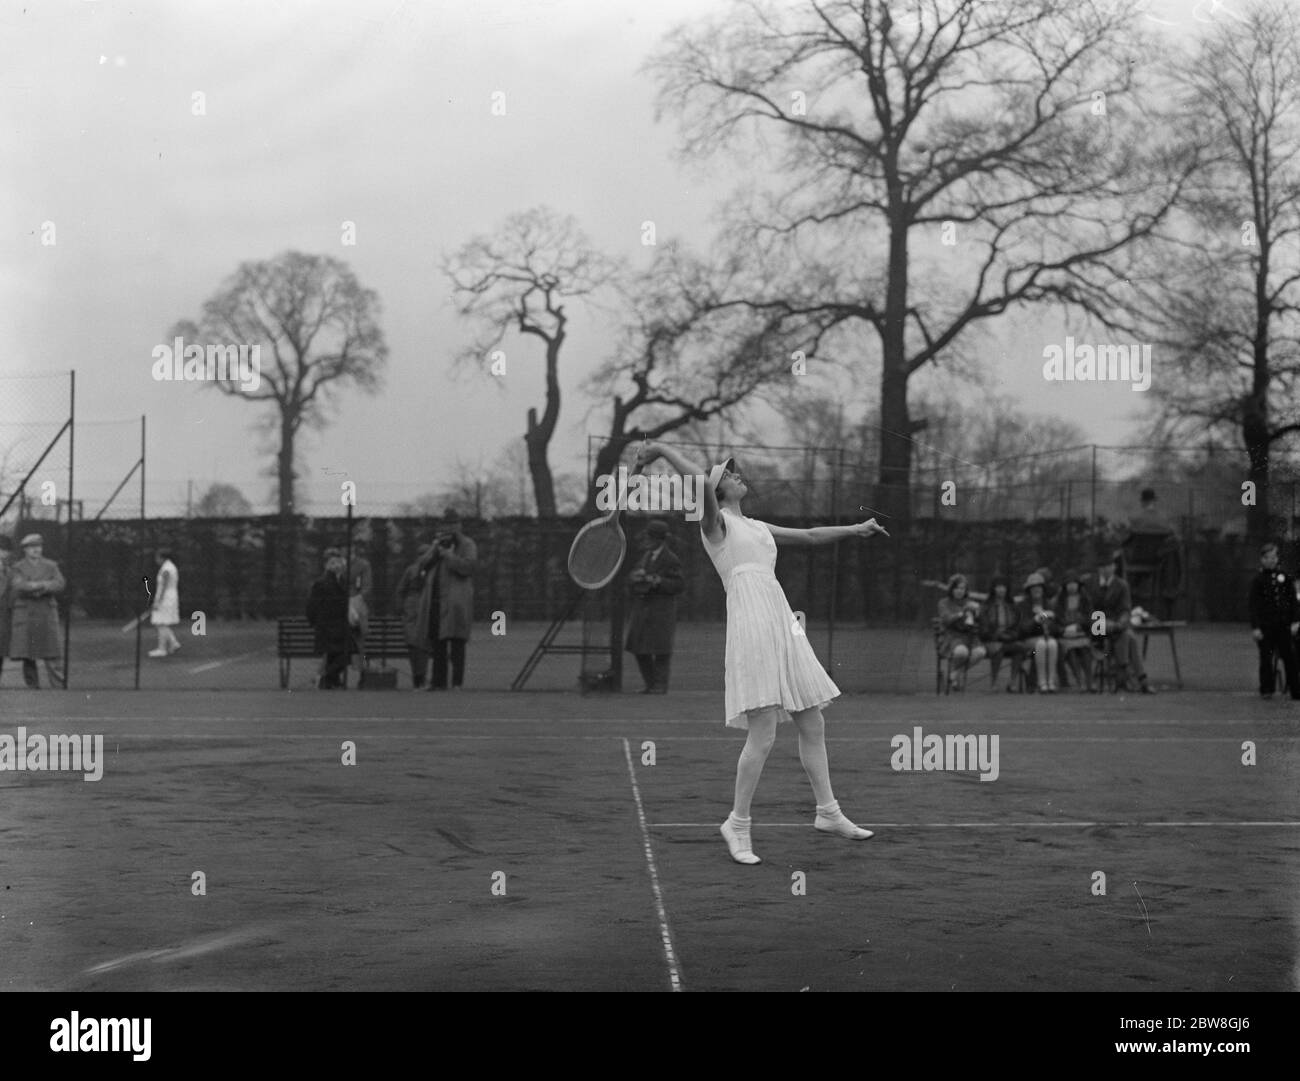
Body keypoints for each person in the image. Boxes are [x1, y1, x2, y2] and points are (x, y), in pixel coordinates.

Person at [635, 442, 886, 865]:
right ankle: (737, 824)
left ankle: (828, 813)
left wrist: (854, 529)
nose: (737, 475)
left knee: (812, 719)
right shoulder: (713, 524)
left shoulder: (757, 525)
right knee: (764, 732)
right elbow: (698, 482)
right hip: (750, 622)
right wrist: (659, 448)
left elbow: (809, 536)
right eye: (728, 475)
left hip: (781, 619)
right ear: (716, 492)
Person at [417, 509, 477, 691]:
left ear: (459, 525)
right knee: (437, 644)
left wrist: (449, 555)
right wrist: (436, 549)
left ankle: (457, 683)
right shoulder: (437, 545)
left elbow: (468, 567)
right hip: (435, 601)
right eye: (446, 525)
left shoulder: (467, 544)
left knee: (457, 642)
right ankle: (438, 682)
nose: (449, 529)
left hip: (455, 602)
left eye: (452, 524)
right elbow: (422, 564)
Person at [625, 518, 684, 693]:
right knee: (638, 648)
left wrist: (657, 581)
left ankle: (660, 686)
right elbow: (633, 577)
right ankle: (650, 684)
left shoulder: (671, 559)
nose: (645, 541)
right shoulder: (646, 556)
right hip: (643, 609)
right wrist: (635, 577)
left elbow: (679, 584)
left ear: (659, 539)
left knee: (661, 650)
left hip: (661, 611)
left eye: (649, 538)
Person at [7, 533, 65, 689]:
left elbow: (59, 584)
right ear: (25, 550)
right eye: (32, 547)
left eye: (38, 547)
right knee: (28, 654)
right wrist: (45, 585)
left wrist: (38, 586)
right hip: (26, 614)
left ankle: (58, 687)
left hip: (46, 613)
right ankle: (33, 689)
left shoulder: (51, 565)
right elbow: (19, 585)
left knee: (52, 653)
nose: (36, 550)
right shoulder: (18, 567)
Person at [1093, 550, 1155, 694]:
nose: (1105, 569)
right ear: (1099, 569)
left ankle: (1134, 678)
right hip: (1096, 627)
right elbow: (1089, 608)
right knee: (1128, 636)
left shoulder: (1121, 585)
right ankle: (1134, 679)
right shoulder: (1092, 584)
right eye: (1102, 566)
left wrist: (1118, 623)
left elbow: (1125, 610)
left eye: (1108, 566)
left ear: (1114, 567)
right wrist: (1102, 622)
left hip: (1116, 627)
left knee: (1127, 636)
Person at [1248, 541, 1300, 700]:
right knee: (1266, 658)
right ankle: (1267, 689)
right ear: (1262, 559)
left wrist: (1295, 621)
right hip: (1266, 627)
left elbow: (1293, 602)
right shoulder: (1258, 580)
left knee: (1290, 658)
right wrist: (1256, 627)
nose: (1271, 560)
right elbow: (1253, 605)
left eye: (1273, 557)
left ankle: (1295, 689)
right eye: (1267, 557)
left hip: (1283, 626)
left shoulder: (1285, 577)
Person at [306, 551, 351, 689]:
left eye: (339, 563)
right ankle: (326, 677)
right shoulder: (326, 583)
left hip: (334, 627)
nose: (338, 567)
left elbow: (311, 606)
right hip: (330, 627)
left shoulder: (339, 582)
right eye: (334, 563)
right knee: (344, 654)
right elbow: (312, 606)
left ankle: (328, 680)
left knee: (338, 655)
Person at [936, 573, 985, 691]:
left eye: (962, 588)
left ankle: (954, 675)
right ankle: (954, 678)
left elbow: (979, 621)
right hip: (951, 637)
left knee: (980, 652)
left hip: (969, 637)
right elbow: (947, 619)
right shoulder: (943, 603)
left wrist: (978, 612)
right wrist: (962, 613)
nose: (959, 591)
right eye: (957, 588)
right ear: (951, 589)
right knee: (961, 652)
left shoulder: (970, 603)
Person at [395, 541, 434, 689]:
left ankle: (419, 678)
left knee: (418, 646)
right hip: (414, 611)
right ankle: (419, 678)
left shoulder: (422, 570)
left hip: (417, 610)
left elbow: (400, 591)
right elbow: (401, 590)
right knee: (417, 645)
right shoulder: (413, 570)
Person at [1016, 572, 1060, 693]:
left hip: (1048, 638)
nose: (1037, 590)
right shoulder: (1023, 606)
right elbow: (1022, 629)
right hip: (1029, 641)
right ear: (1029, 590)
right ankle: (1041, 683)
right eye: (1033, 588)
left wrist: (1049, 621)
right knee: (1041, 644)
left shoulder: (1049, 605)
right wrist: (1035, 620)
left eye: (1039, 587)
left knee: (1052, 644)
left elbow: (1057, 629)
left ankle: (1051, 682)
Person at [979, 576, 1024, 691]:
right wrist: (997, 635)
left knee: (1019, 649)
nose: (1001, 589)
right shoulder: (986, 606)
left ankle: (1012, 682)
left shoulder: (1012, 606)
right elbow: (984, 630)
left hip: (1009, 639)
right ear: (993, 589)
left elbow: (1017, 626)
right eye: (998, 587)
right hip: (991, 641)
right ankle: (994, 683)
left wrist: (1012, 635)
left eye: (1003, 587)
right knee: (998, 649)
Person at [1053, 569, 1093, 691]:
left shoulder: (1085, 599)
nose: (1071, 586)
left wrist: (1079, 626)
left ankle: (1090, 681)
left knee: (1085, 651)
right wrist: (1065, 628)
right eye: (1069, 584)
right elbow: (1057, 619)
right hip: (1065, 635)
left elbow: (1089, 617)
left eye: (1074, 583)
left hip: (1081, 632)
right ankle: (1079, 681)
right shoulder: (1059, 601)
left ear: (1078, 585)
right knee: (1070, 651)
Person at [346, 521, 374, 671]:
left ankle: (361, 666)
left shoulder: (362, 565)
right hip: (352, 606)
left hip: (355, 606)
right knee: (359, 638)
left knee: (360, 637)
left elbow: (366, 587)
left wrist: (353, 601)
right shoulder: (341, 563)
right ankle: (359, 665)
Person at [147, 547, 182, 658]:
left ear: (162, 558)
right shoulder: (168, 567)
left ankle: (162, 649)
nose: (156, 560)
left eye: (157, 557)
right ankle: (173, 643)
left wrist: (158, 601)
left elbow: (164, 587)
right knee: (160, 622)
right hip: (168, 597)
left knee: (160, 622)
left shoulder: (167, 569)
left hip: (166, 598)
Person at [0, 535, 12, 684]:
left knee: (1, 650)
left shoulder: (8, 568)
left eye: (6, 551)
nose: (4, 553)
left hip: (3, 614)